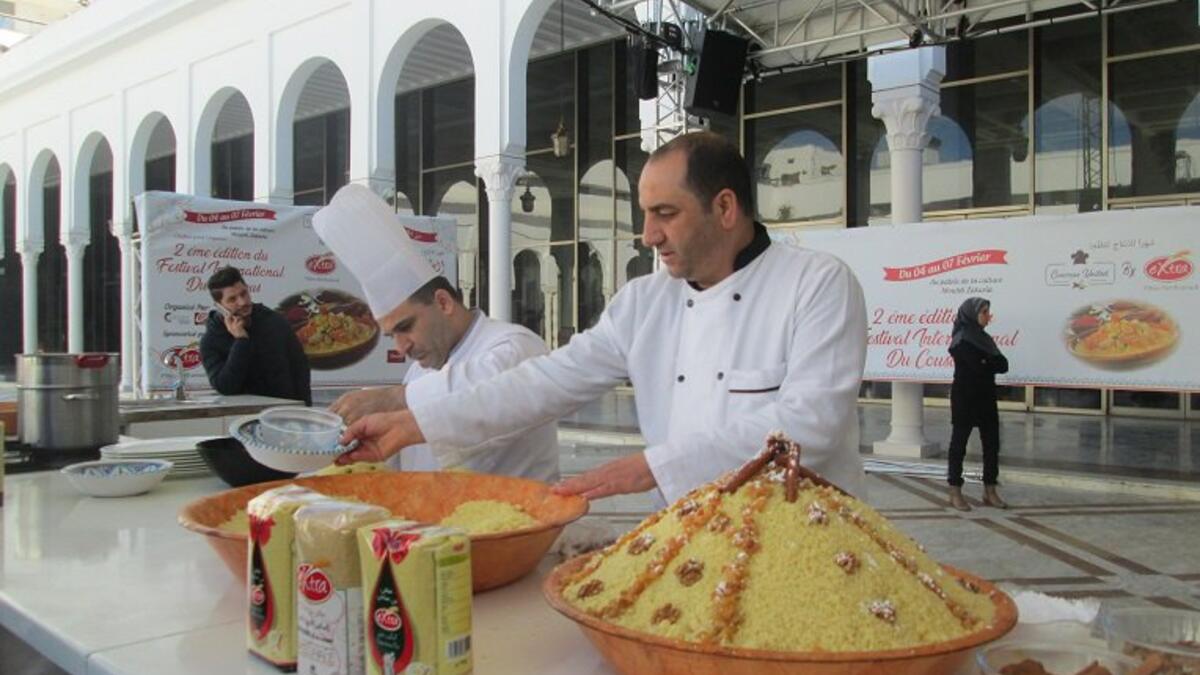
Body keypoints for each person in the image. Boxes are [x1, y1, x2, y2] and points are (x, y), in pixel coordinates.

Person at [335, 131, 868, 504]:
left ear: (725, 209)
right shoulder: (644, 302)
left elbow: (810, 422)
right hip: (692, 532)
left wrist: (652, 466)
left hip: (801, 531)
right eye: (645, 214)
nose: (648, 235)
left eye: (666, 214)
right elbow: (542, 383)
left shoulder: (817, 284)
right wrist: (413, 425)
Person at [312, 184, 558, 483]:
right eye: (391, 336)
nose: (401, 347)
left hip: (520, 521)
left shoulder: (515, 344)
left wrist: (392, 399)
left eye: (405, 327)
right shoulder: (418, 375)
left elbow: (488, 391)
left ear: (443, 302)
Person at [199, 266, 312, 405]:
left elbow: (300, 368)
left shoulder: (274, 321)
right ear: (219, 306)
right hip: (241, 417)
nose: (243, 302)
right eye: (232, 299)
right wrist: (241, 340)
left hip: (283, 414)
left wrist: (305, 409)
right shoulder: (211, 341)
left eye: (244, 293)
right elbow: (225, 387)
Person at [946, 297, 1009, 511]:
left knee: (992, 444)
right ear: (972, 314)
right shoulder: (961, 338)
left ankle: (990, 490)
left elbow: (1003, 365)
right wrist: (988, 362)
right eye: (983, 312)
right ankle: (955, 491)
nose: (987, 316)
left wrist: (986, 362)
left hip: (986, 397)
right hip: (965, 396)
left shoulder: (985, 339)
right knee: (959, 444)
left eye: (988, 312)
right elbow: (976, 366)